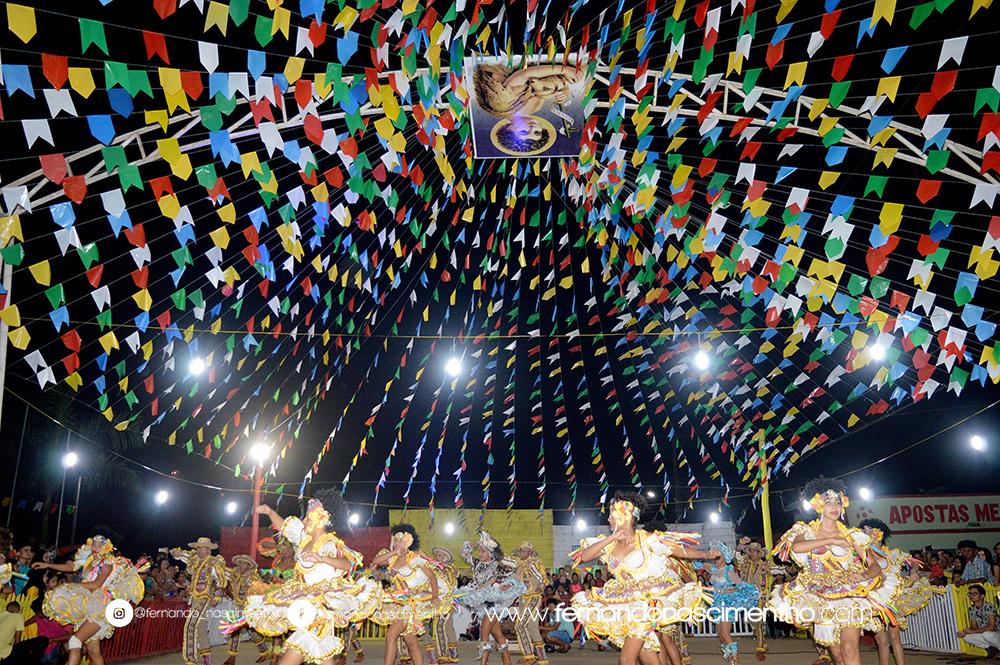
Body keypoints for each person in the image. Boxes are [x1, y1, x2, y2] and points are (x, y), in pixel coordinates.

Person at [570, 491, 714, 665]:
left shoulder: (647, 540)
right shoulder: (609, 544)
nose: (608, 519)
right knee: (648, 658)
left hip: (645, 605)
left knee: (626, 659)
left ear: (625, 516)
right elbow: (585, 557)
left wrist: (706, 554)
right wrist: (612, 537)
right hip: (624, 604)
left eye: (611, 515)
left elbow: (678, 550)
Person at [245, 490, 380, 665]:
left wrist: (321, 558)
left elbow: (349, 564)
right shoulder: (304, 539)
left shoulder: (328, 542)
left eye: (315, 505)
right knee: (323, 657)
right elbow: (285, 526)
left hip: (319, 610)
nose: (309, 505)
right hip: (307, 606)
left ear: (325, 516)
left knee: (292, 657)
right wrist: (270, 512)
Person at [767, 477, 892, 665]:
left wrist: (864, 575)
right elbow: (797, 548)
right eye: (829, 502)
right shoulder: (805, 531)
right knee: (837, 654)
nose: (834, 506)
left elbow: (874, 566)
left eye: (838, 502)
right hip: (820, 597)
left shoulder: (852, 536)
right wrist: (831, 541)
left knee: (849, 649)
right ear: (819, 505)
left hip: (849, 595)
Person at [35, 535, 145, 665]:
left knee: (75, 641)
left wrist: (72, 586)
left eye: (99, 544)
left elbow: (96, 584)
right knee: (93, 651)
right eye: (94, 543)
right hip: (89, 606)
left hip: (101, 607)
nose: (95, 546)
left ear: (107, 546)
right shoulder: (91, 559)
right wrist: (47, 565)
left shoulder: (107, 563)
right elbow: (72, 567)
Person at [860, 519, 942, 665]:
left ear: (878, 534)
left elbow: (915, 562)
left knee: (894, 636)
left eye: (867, 531)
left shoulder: (893, 554)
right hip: (873, 600)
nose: (864, 535)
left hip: (892, 599)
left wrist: (913, 573)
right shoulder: (862, 556)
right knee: (880, 639)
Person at [369, 525, 452, 665]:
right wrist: (394, 552)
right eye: (395, 540)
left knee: (390, 635)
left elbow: (432, 577)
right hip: (398, 603)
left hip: (411, 605)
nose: (397, 543)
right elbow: (375, 562)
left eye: (401, 541)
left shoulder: (415, 558)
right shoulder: (392, 559)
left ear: (408, 542)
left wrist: (435, 596)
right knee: (412, 644)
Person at [456, 530, 526, 665]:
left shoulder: (497, 564)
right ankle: (507, 660)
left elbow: (513, 573)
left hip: (494, 602)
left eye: (483, 551)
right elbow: (464, 554)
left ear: (490, 553)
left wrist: (504, 584)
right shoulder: (477, 563)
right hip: (481, 602)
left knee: (484, 632)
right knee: (497, 634)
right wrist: (477, 543)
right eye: (480, 551)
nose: (480, 553)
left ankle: (484, 662)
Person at [692, 542, 760, 665]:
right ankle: (730, 659)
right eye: (714, 557)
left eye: (718, 557)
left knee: (725, 634)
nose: (715, 560)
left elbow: (740, 585)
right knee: (720, 636)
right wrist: (706, 556)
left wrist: (734, 590)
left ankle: (736, 661)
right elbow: (696, 564)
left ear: (724, 556)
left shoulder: (729, 571)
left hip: (728, 604)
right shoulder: (712, 569)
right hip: (717, 604)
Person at [170, 537, 228, 665]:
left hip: (205, 598)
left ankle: (190, 660)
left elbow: (221, 581)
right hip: (194, 598)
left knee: (190, 624)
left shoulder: (213, 563)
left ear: (208, 550)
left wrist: (217, 598)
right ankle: (207, 660)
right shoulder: (194, 560)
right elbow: (180, 555)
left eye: (202, 548)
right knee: (201, 628)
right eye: (198, 548)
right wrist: (176, 553)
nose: (199, 550)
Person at [225, 554, 269, 665]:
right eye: (240, 563)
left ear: (249, 566)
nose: (241, 565)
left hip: (248, 607)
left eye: (244, 563)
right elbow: (226, 578)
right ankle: (264, 652)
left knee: (236, 629)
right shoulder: (235, 575)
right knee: (252, 631)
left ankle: (232, 657)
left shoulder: (251, 578)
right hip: (239, 605)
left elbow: (259, 590)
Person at [511, 542, 548, 665]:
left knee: (520, 625)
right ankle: (542, 658)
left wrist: (541, 587)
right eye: (520, 551)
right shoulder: (519, 564)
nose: (521, 553)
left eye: (523, 551)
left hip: (533, 598)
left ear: (529, 553)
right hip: (523, 599)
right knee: (532, 627)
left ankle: (529, 656)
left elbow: (543, 578)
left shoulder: (533, 564)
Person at [735, 539, 769, 661]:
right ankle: (763, 643)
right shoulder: (745, 563)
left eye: (756, 551)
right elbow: (736, 555)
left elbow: (778, 570)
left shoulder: (765, 565)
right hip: (747, 597)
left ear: (760, 553)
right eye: (751, 551)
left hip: (760, 597)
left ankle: (760, 649)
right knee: (753, 623)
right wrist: (742, 544)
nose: (753, 553)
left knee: (758, 622)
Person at [959, 584, 1000, 657]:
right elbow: (974, 628)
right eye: (970, 594)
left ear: (982, 596)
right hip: (986, 634)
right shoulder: (972, 609)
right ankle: (991, 649)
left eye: (974, 593)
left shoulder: (988, 606)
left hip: (996, 633)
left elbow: (991, 627)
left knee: (986, 634)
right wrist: (966, 631)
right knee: (966, 637)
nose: (971, 596)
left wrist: (972, 631)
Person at [28, 596, 71, 664]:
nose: (37, 615)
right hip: (41, 644)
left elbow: (70, 635)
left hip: (55, 643)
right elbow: (32, 619)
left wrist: (53, 640)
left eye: (38, 613)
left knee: (47, 658)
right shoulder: (39, 616)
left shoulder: (60, 618)